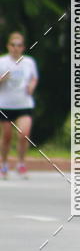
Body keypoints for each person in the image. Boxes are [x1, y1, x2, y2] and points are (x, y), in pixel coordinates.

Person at [0, 32, 39, 179]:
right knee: (7, 136)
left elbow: (34, 78)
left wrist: (32, 86)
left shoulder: (29, 62)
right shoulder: (2, 62)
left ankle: (21, 163)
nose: (16, 48)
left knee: (24, 134)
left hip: (24, 104)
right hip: (5, 105)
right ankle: (4, 164)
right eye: (13, 45)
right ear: (8, 46)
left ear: (23, 47)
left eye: (19, 45)